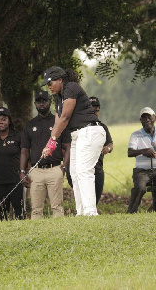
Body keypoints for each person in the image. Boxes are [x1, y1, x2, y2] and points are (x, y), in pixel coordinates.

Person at [41, 66, 106, 216]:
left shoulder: (71, 87)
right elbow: (58, 121)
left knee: (84, 171)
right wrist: (49, 144)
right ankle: (81, 212)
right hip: (77, 134)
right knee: (75, 172)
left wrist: (53, 141)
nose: (49, 87)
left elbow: (65, 117)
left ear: (60, 80)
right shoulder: (58, 97)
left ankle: (91, 212)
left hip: (90, 131)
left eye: (50, 83)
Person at [20, 90, 71, 220]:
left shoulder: (58, 122)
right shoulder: (30, 125)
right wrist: (22, 171)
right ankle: (37, 236)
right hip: (36, 171)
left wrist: (64, 167)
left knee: (57, 207)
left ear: (50, 102)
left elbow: (67, 147)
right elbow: (25, 150)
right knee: (36, 210)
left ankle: (59, 235)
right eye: (38, 101)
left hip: (55, 169)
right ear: (35, 104)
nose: (41, 104)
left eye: (45, 101)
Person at [66, 96, 113, 205]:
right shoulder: (78, 127)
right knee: (82, 197)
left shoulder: (101, 127)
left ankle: (90, 216)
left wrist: (107, 148)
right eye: (93, 110)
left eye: (97, 110)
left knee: (94, 201)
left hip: (97, 169)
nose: (95, 113)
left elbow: (110, 144)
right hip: (81, 169)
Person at [0, 107, 23, 220]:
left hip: (15, 179)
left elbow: (25, 155)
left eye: (4, 119)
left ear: (9, 121)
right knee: (2, 213)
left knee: (19, 211)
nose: (1, 122)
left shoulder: (18, 136)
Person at [127, 107, 156, 214]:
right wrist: (144, 151)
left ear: (155, 118)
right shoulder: (136, 135)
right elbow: (130, 152)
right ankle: (131, 212)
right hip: (142, 171)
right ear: (141, 121)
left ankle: (153, 209)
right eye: (144, 117)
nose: (147, 119)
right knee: (140, 187)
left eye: (149, 116)